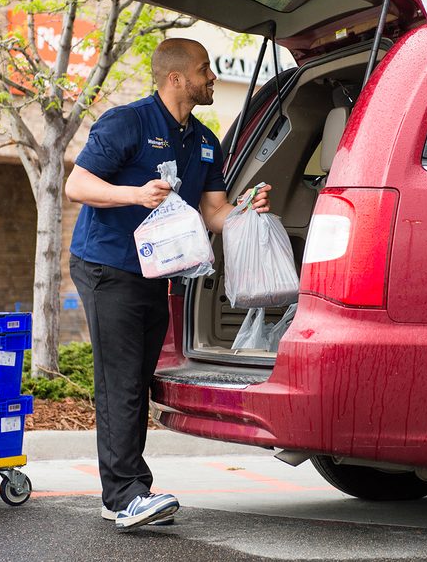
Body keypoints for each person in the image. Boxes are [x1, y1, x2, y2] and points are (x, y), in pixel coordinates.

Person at [65, 38, 271, 529]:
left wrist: (245, 212)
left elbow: (214, 212)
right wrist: (134, 194)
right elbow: (77, 184)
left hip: (156, 274)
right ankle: (124, 497)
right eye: (204, 70)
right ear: (175, 78)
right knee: (121, 380)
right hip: (107, 266)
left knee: (137, 378)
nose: (212, 78)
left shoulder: (203, 139)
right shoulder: (127, 122)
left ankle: (128, 491)